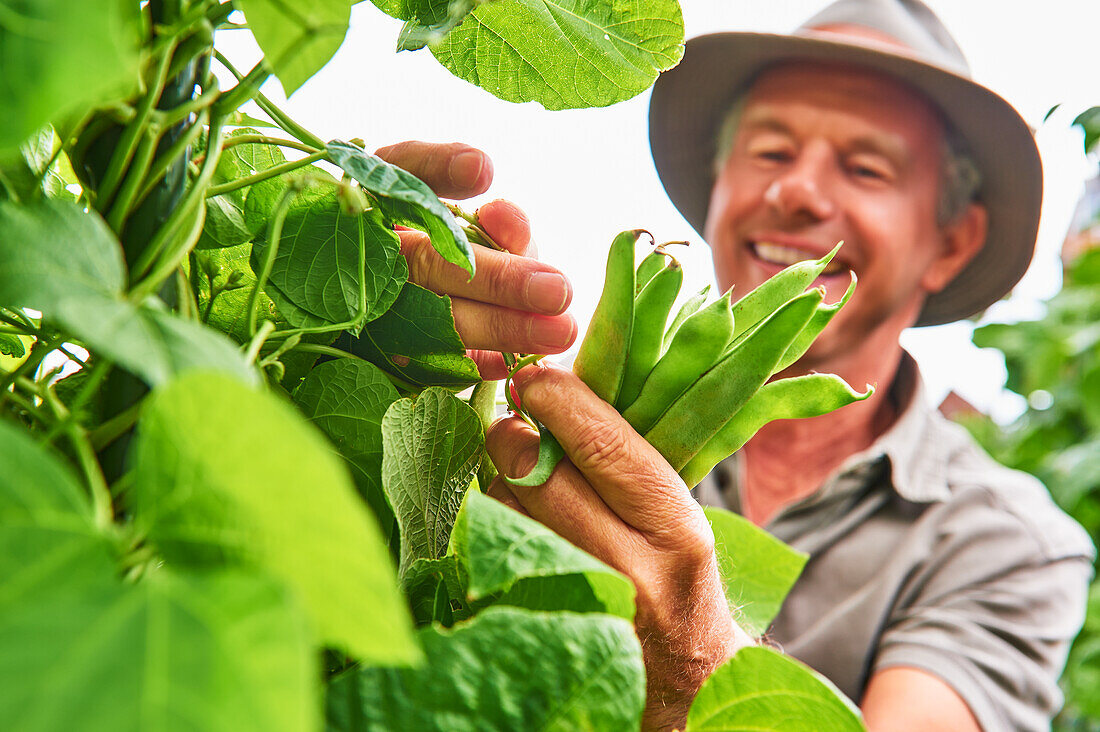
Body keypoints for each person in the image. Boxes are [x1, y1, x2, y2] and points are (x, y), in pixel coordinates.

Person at [375, 1, 1095, 729]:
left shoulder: (1002, 542)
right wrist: (363, 347)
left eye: (865, 167)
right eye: (771, 153)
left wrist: (692, 660)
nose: (796, 192)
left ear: (952, 241)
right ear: (719, 184)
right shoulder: (552, 407)